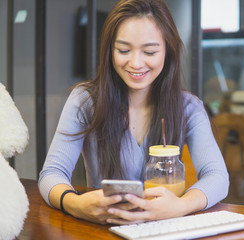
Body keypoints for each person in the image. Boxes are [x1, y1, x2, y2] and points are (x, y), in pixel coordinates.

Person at [38, 0, 229, 225]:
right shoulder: (85, 101)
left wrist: (181, 205)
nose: (136, 63)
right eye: (124, 50)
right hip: (104, 229)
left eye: (149, 51)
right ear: (109, 51)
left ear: (168, 50)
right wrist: (77, 205)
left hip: (166, 230)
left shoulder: (188, 107)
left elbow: (218, 177)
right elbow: (51, 174)